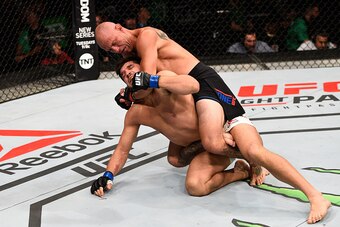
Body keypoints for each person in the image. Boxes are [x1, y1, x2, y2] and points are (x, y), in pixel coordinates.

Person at [95, 22, 330, 224]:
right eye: (110, 50)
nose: (117, 51)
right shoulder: (133, 68)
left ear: (119, 27)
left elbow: (149, 78)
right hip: (188, 95)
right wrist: (108, 175)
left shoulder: (145, 36)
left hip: (201, 82)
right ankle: (242, 164)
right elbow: (140, 90)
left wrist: (133, 91)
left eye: (115, 43)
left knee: (221, 143)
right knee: (177, 159)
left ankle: (310, 192)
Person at [91, 56, 253, 198]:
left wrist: (151, 80)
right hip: (200, 143)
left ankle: (250, 157)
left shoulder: (163, 80)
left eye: (131, 67)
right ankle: (240, 173)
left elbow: (193, 85)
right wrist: (108, 175)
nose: (127, 73)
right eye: (124, 75)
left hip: (218, 133)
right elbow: (122, 149)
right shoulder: (136, 112)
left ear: (143, 66)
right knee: (178, 163)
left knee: (194, 179)